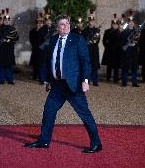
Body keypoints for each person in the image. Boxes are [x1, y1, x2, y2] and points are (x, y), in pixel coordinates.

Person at [24, 14, 102, 153]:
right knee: (48, 111)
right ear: (57, 27)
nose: (65, 26)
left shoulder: (78, 39)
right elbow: (50, 61)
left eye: (67, 23)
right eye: (62, 24)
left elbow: (85, 61)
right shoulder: (53, 40)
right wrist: (48, 79)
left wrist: (85, 80)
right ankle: (44, 141)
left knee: (84, 114)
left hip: (74, 85)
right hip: (57, 86)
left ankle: (96, 143)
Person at [0, 8, 19, 84]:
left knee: (9, 66)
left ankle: (10, 80)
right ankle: (1, 80)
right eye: (5, 20)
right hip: (2, 50)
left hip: (9, 49)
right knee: (1, 66)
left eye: (8, 20)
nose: (6, 21)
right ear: (3, 20)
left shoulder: (13, 29)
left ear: (9, 21)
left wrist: (11, 39)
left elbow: (17, 38)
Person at [120, 12, 140, 87]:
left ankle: (134, 83)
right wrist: (128, 43)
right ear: (128, 23)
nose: (131, 23)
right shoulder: (124, 32)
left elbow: (138, 41)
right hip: (127, 52)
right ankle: (124, 82)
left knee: (134, 68)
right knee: (125, 68)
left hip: (134, 52)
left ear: (134, 23)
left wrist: (134, 42)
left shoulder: (137, 32)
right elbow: (122, 43)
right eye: (130, 22)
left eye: (132, 22)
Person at [83, 11, 101, 86]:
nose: (91, 22)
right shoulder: (85, 30)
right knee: (87, 66)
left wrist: (94, 39)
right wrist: (88, 41)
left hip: (94, 50)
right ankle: (87, 81)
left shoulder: (97, 30)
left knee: (95, 66)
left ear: (94, 22)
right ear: (89, 22)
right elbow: (83, 40)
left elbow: (98, 40)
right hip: (87, 50)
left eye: (93, 21)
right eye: (90, 21)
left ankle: (95, 81)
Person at [29, 14, 44, 81]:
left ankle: (41, 78)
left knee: (41, 64)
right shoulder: (32, 31)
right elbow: (32, 40)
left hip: (42, 50)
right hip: (35, 49)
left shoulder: (44, 31)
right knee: (35, 64)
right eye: (37, 23)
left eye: (40, 22)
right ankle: (34, 76)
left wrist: (40, 30)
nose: (38, 24)